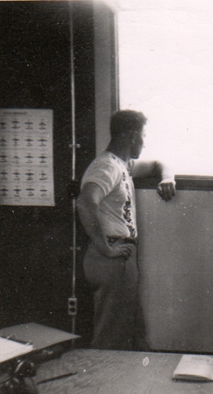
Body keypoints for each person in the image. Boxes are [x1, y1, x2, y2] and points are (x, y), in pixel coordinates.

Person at [77, 110, 175, 351]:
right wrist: (106, 249)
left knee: (131, 328)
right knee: (111, 334)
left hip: (122, 255)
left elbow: (157, 164)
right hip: (112, 256)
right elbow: (85, 202)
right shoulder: (106, 167)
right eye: (142, 135)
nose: (144, 141)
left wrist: (167, 178)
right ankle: (102, 386)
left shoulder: (123, 165)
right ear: (132, 136)